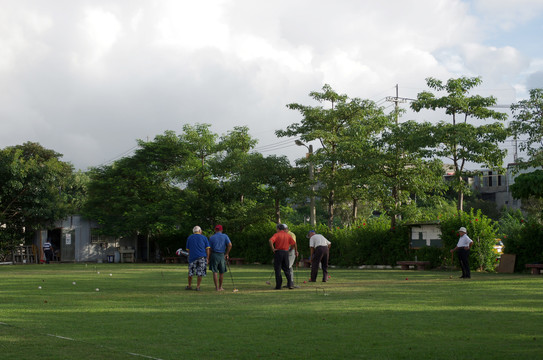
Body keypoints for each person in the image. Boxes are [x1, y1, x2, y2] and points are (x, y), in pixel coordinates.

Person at [269, 224, 298, 289]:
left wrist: (273, 248)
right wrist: (295, 251)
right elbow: (294, 243)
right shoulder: (287, 235)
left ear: (278, 229)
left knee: (278, 269)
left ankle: (278, 286)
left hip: (278, 252)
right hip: (286, 253)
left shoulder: (276, 234)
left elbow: (270, 240)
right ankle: (290, 284)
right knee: (287, 269)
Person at [185, 226, 211, 291]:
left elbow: (188, 249)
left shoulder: (189, 238)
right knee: (200, 273)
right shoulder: (204, 238)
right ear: (200, 231)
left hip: (192, 258)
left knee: (190, 272)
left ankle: (189, 285)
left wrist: (190, 255)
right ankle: (198, 287)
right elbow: (207, 249)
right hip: (202, 257)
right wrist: (207, 258)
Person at [208, 224, 232, 291]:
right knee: (221, 272)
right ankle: (220, 287)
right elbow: (230, 245)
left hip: (214, 255)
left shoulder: (212, 237)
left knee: (215, 271)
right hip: (222, 255)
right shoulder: (225, 236)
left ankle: (216, 287)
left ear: (215, 230)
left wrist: (208, 257)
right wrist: (227, 254)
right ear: (221, 230)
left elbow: (209, 248)